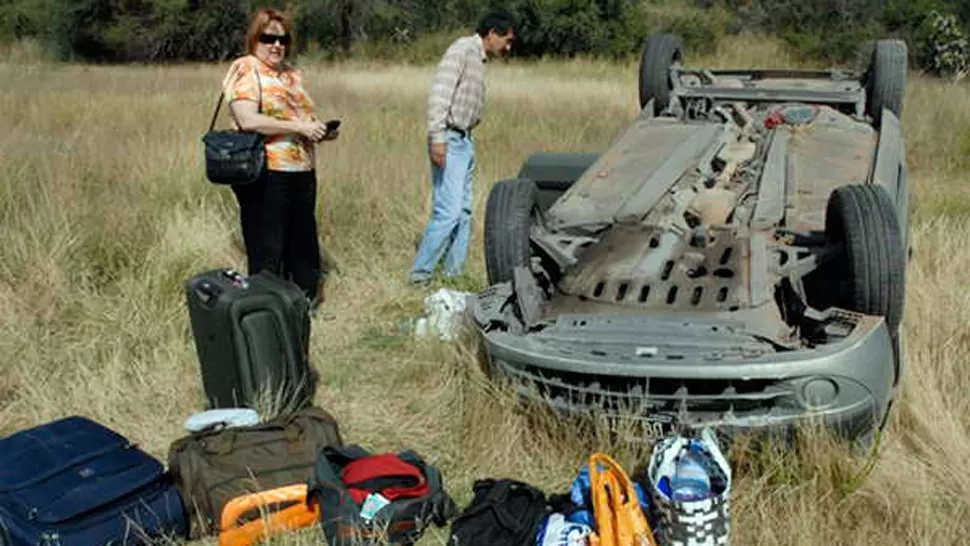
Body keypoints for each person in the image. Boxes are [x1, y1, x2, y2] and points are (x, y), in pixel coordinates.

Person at [222, 7, 337, 311]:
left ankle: (303, 307)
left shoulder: (291, 75)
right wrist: (298, 127)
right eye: (269, 38)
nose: (277, 45)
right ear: (254, 39)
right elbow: (247, 119)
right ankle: (266, 313)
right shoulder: (246, 69)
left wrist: (317, 131)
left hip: (302, 169)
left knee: (302, 244)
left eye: (283, 39)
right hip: (266, 171)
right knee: (267, 245)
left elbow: (302, 118)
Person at [409, 10, 517, 286]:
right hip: (450, 138)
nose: (508, 47)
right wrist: (438, 136)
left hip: (464, 139)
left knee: (465, 212)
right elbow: (440, 93)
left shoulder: (479, 58)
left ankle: (453, 276)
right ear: (492, 33)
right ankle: (419, 277)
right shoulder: (462, 50)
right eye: (506, 39)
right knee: (448, 212)